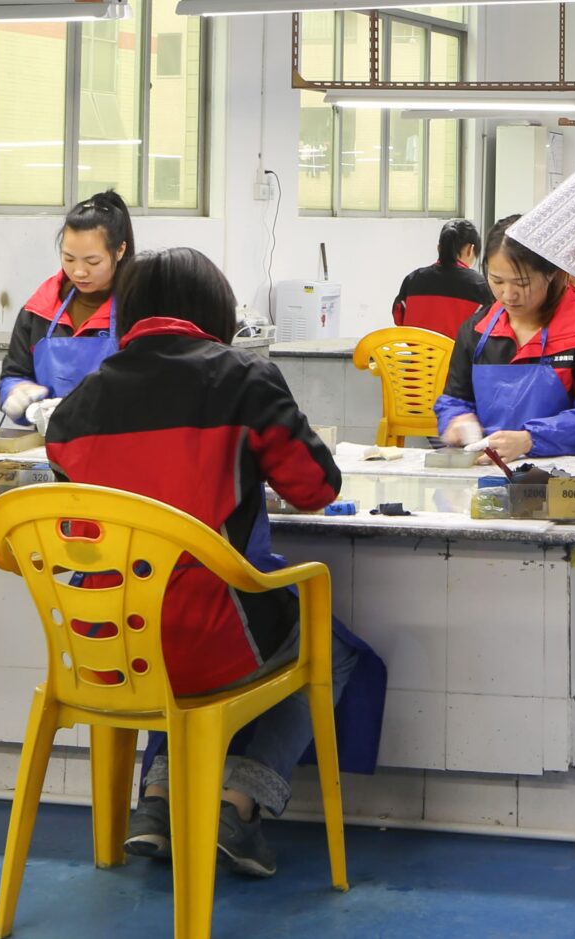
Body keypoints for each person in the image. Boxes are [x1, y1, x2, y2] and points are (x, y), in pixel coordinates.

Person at [43, 247, 385, 881]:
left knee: (162, 622)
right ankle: (238, 804)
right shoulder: (244, 378)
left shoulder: (79, 403)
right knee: (328, 649)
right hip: (211, 640)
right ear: (218, 311)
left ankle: (157, 802)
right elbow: (315, 488)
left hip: (105, 642)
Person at [436, 216, 575, 460]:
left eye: (522, 283)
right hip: (488, 468)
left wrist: (530, 440)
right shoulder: (475, 332)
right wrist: (456, 420)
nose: (508, 294)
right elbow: (455, 399)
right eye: (497, 281)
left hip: (567, 476)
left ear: (551, 273)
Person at [0, 189, 133, 423]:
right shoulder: (40, 309)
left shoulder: (137, 308)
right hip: (51, 439)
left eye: (92, 261)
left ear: (120, 250)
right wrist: (17, 391)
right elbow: (15, 372)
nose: (79, 272)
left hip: (118, 439)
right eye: (69, 258)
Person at [393, 218, 488, 336]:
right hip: (459, 349)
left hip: (418, 348)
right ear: (470, 249)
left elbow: (398, 318)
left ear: (439, 248)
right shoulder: (481, 287)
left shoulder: (412, 280)